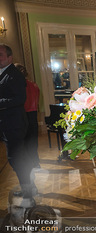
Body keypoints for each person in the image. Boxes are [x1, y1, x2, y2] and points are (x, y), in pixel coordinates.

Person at [0, 44, 37, 198]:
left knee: (15, 158)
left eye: (1, 55)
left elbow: (20, 99)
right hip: (6, 124)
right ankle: (29, 186)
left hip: (14, 125)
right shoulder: (3, 73)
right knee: (19, 157)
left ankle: (28, 191)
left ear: (10, 57)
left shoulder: (14, 74)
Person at [14, 63, 41, 168]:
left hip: (22, 115)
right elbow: (37, 100)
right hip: (33, 114)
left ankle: (28, 164)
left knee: (24, 142)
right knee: (33, 141)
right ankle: (36, 162)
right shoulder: (34, 85)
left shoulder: (17, 86)